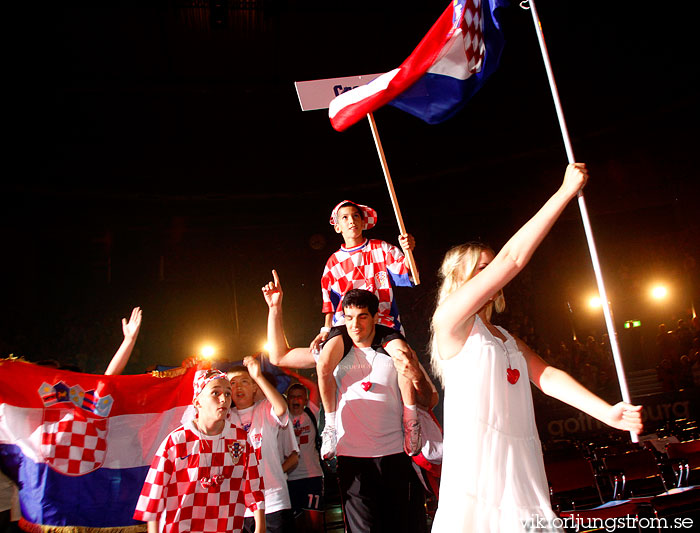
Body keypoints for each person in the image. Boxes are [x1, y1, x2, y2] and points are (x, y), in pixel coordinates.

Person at [429, 163, 644, 532]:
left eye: (491, 267)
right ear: (458, 278)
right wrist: (563, 193)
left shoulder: (503, 336)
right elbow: (514, 259)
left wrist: (607, 412)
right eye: (482, 268)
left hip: (520, 452)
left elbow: (547, 376)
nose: (494, 273)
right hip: (481, 457)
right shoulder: (450, 321)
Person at [262, 272, 433, 532]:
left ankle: (411, 425)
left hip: (396, 455)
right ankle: (330, 426)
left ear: (375, 317)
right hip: (353, 459)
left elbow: (430, 399)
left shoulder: (396, 349)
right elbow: (279, 357)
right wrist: (275, 308)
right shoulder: (335, 348)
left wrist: (416, 377)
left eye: (363, 317)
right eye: (349, 318)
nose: (355, 325)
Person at [312, 200, 422, 458]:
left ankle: (411, 420)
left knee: (404, 359)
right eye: (345, 217)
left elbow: (410, 274)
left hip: (382, 319)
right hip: (347, 324)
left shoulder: (382, 248)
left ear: (364, 221)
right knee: (323, 364)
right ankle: (329, 425)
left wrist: (409, 252)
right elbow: (330, 302)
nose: (351, 221)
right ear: (337, 226)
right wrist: (325, 329)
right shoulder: (333, 262)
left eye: (355, 216)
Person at [133, 369, 265, 533]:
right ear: (197, 401)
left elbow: (254, 488)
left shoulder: (240, 439)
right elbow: (154, 495)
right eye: (215, 393)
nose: (223, 399)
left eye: (227, 393)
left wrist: (260, 527)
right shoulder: (176, 441)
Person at [227, 357, 298, 533]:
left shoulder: (265, 408)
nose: (239, 387)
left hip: (273, 501)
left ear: (254, 388)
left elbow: (281, 408)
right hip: (240, 506)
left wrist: (258, 376)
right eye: (232, 383)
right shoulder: (225, 418)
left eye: (245, 381)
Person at [284, 380, 324, 532]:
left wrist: (290, 374)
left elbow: (314, 386)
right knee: (297, 526)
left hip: (311, 476)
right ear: (287, 400)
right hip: (290, 478)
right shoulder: (283, 418)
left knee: (315, 525)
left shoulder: (310, 413)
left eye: (299, 397)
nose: (296, 400)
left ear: (305, 400)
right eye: (292, 397)